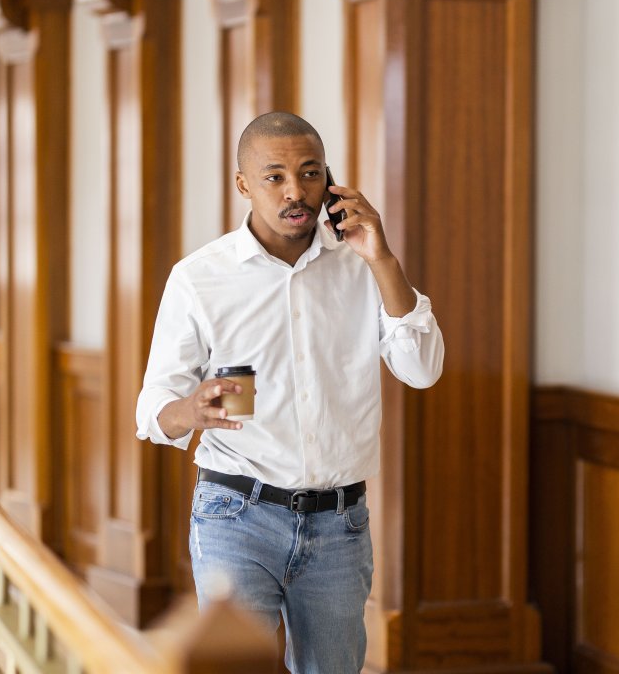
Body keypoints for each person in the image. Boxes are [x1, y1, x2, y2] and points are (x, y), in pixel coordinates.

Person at [135, 111, 444, 673]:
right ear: (243, 184)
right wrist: (191, 408)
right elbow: (154, 410)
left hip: (340, 522)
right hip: (235, 512)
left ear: (331, 179)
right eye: (274, 176)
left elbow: (421, 369)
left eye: (310, 173)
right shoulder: (199, 277)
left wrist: (382, 258)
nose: (296, 192)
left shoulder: (362, 266)